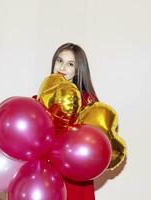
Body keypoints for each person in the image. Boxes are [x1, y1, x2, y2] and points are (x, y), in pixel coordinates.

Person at [50, 43, 98, 200]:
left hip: (74, 177)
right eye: (59, 61)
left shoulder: (88, 103)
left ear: (78, 70)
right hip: (45, 175)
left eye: (70, 64)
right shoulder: (39, 99)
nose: (62, 67)